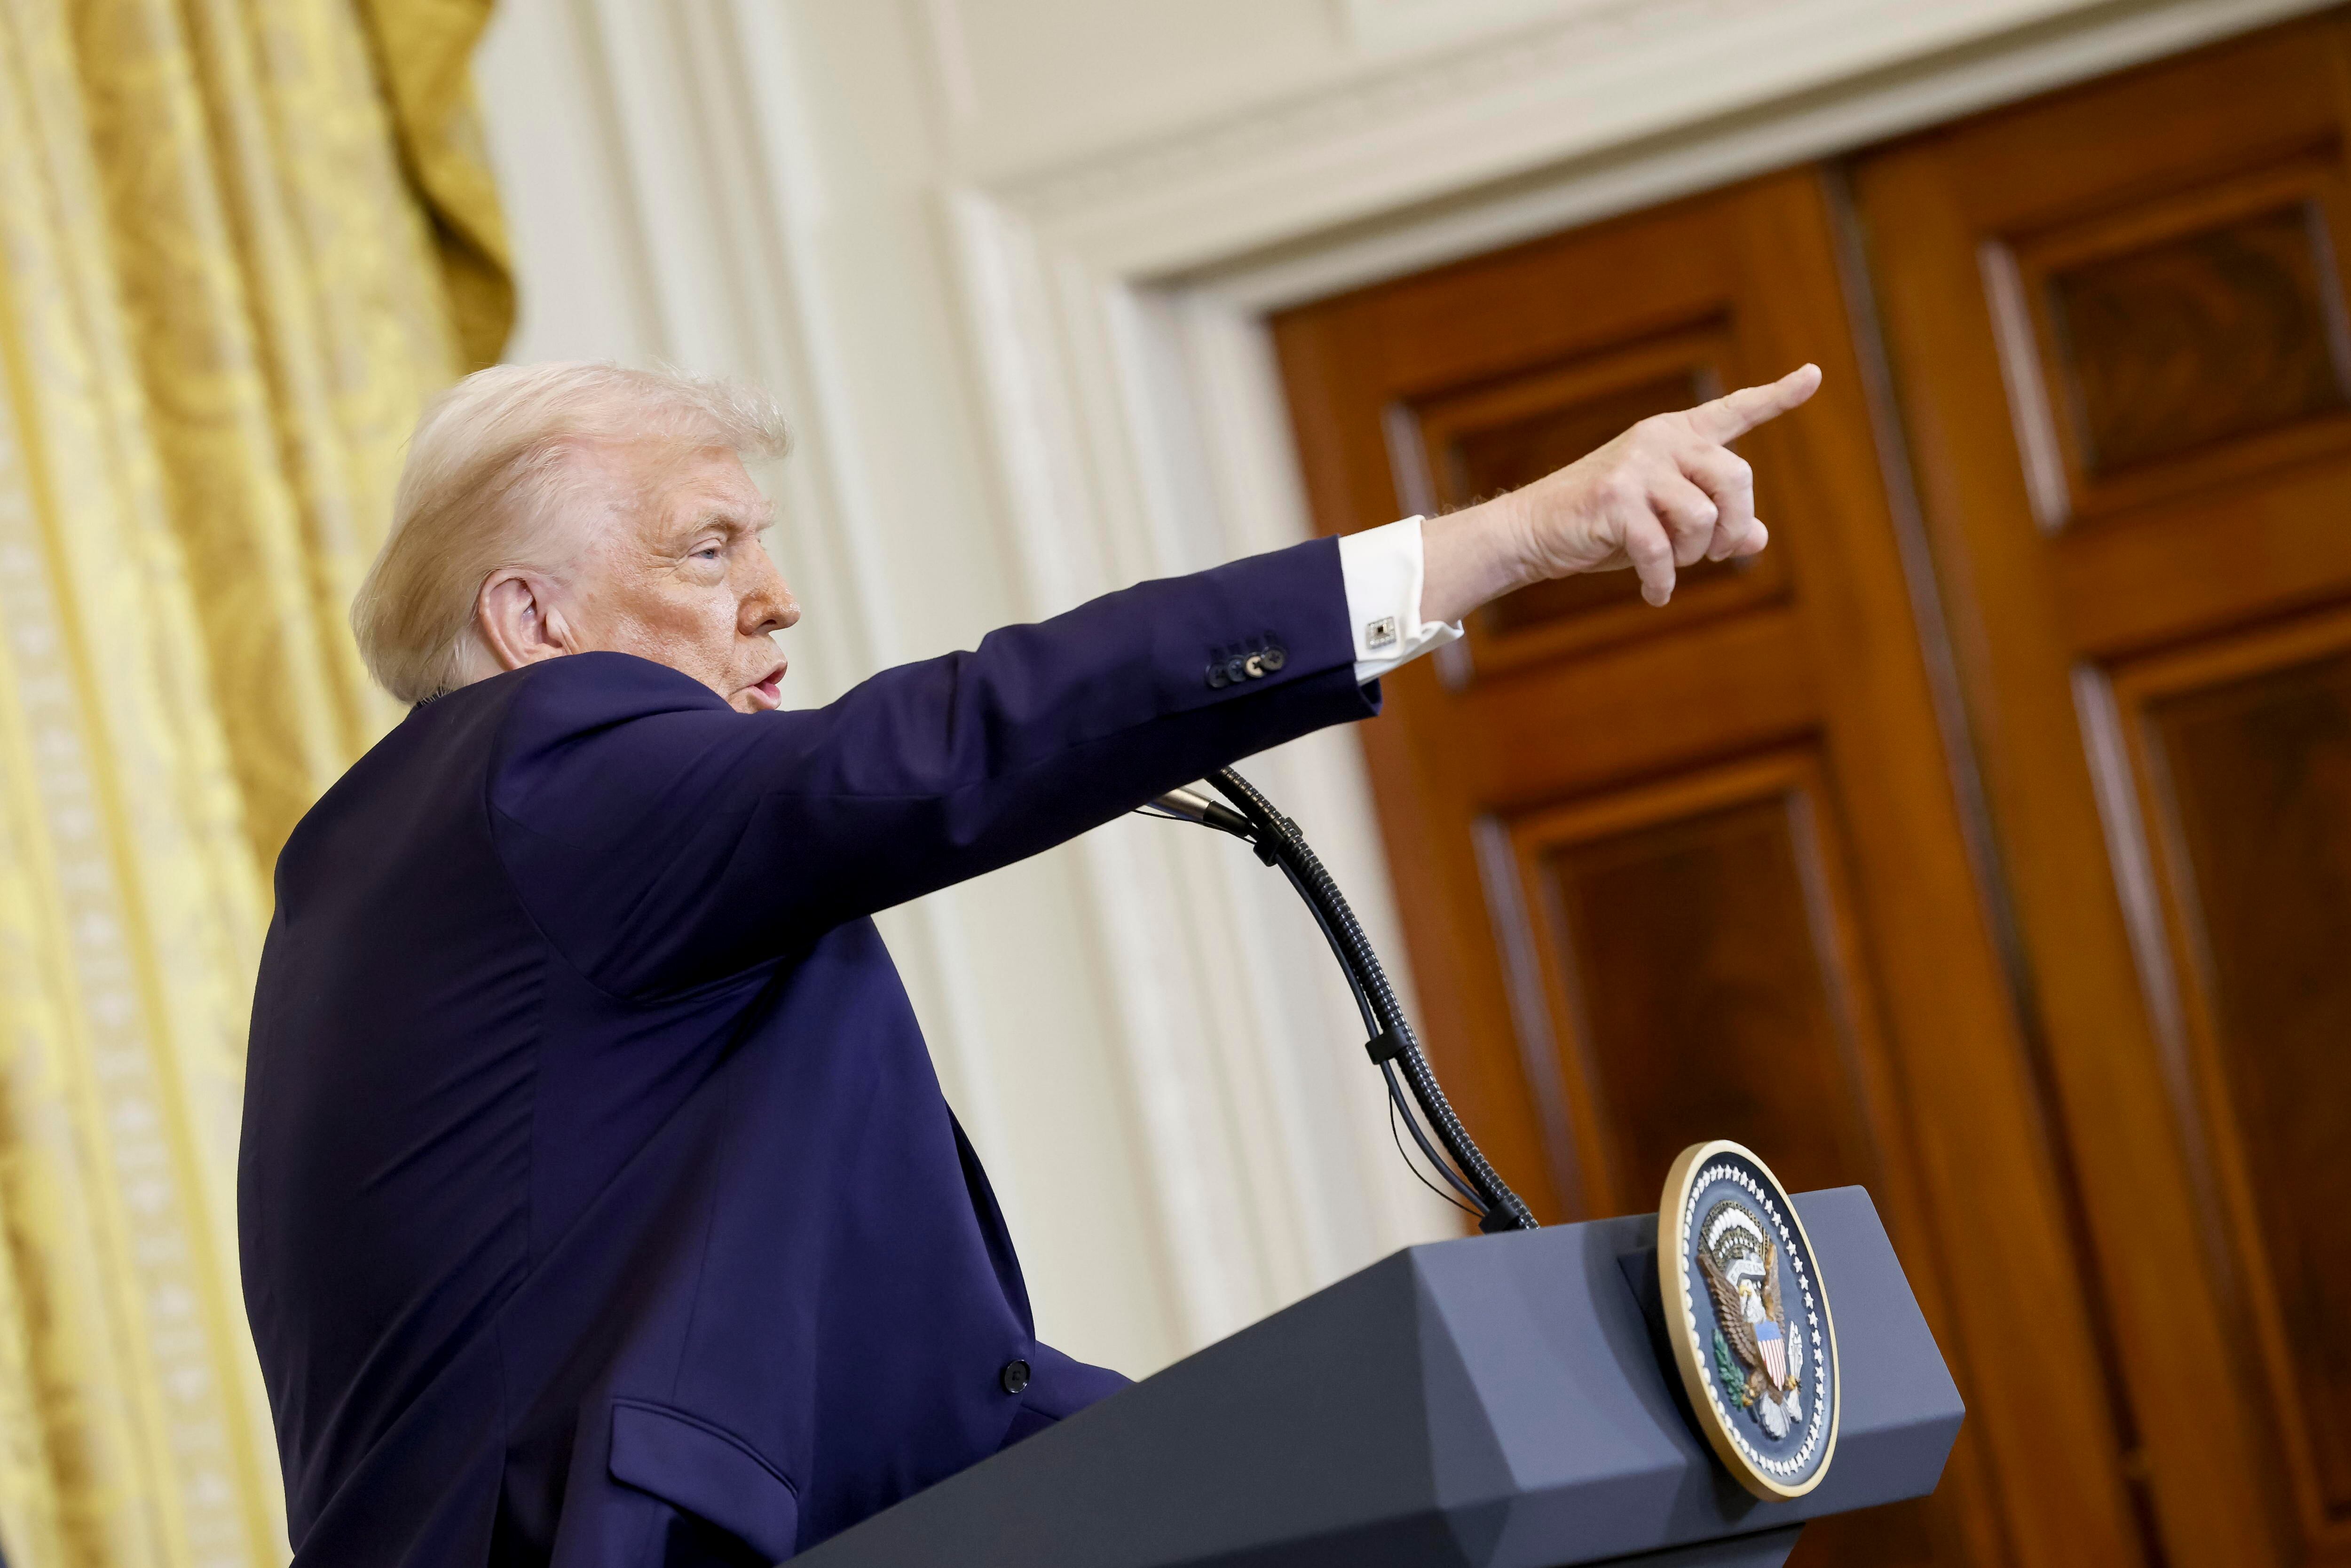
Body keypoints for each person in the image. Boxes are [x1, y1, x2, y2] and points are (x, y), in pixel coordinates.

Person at [238, 358, 1819, 1565]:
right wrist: (1510, 540)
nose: (776, 597)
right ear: (530, 622)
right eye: (709, 549)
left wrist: (1260, 1474)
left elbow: (881, 1378)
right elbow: (954, 744)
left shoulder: (432, 871)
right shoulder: (541, 759)